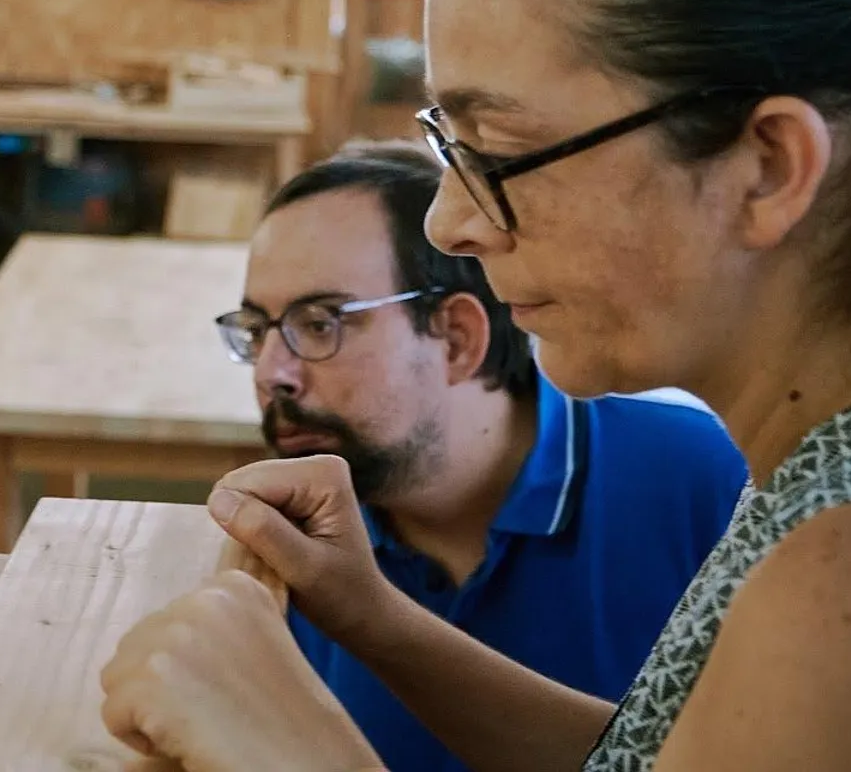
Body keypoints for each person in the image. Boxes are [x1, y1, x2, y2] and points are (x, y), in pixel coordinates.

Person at [99, 0, 851, 771]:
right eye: (447, 145)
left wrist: (295, 749)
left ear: (766, 168)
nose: (454, 220)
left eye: (500, 151)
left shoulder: (842, 576)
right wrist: (372, 618)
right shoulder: (803, 478)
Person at [215, 141, 744, 772]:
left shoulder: (707, 484)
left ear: (458, 338)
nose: (274, 373)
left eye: (321, 322)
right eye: (256, 330)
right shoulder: (279, 549)